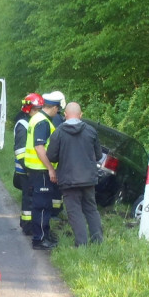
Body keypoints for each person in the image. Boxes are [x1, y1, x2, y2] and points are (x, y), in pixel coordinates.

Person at [47, 102, 104, 247]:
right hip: (88, 179)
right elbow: (98, 155)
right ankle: (98, 242)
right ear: (81, 115)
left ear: (65, 115)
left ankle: (81, 245)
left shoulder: (58, 132)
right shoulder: (91, 131)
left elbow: (51, 156)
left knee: (75, 212)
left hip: (68, 179)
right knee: (91, 209)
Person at [24, 93, 63, 250]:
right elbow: (39, 147)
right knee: (41, 206)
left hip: (36, 170)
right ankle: (39, 240)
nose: (57, 112)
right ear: (54, 108)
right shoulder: (43, 122)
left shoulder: (37, 118)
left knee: (43, 204)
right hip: (41, 171)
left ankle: (44, 235)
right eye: (57, 109)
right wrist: (50, 168)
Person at [13, 92, 43, 235]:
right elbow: (20, 151)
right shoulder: (23, 125)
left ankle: (29, 225)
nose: (38, 112)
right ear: (28, 109)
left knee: (32, 198)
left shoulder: (31, 123)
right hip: (25, 171)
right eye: (36, 110)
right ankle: (27, 226)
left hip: (31, 169)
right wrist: (28, 169)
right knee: (28, 199)